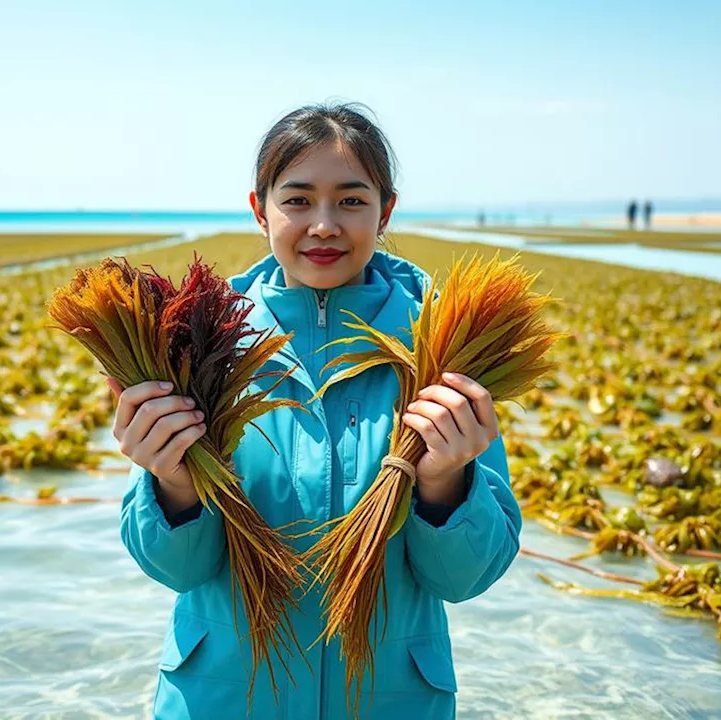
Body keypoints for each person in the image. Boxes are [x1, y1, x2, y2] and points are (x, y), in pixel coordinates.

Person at [112, 103, 521, 719]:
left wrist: (445, 484)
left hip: (387, 701)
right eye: (297, 200)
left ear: (385, 211)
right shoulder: (200, 347)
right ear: (260, 209)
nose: (324, 225)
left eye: (351, 201)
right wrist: (171, 483)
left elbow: (462, 580)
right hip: (223, 699)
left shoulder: (442, 348)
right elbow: (177, 568)